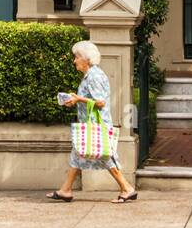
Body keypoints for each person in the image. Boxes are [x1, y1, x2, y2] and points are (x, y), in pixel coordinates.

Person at [47, 41, 138, 203]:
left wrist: (77, 99)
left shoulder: (94, 76)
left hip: (96, 124)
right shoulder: (91, 75)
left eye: (77, 57)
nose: (74, 61)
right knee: (77, 154)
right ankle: (66, 190)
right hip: (90, 124)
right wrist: (75, 100)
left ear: (86, 59)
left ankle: (127, 188)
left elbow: (100, 102)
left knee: (106, 156)